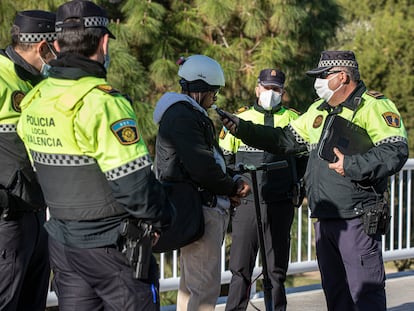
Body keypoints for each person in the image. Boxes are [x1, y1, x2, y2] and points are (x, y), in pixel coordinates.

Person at [220, 50, 408, 311]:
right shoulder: (318, 110)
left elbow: (395, 150)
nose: (317, 81)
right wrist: (242, 128)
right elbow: (284, 139)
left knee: (365, 293)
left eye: (323, 75)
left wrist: (352, 165)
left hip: (357, 218)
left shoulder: (373, 105)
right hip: (325, 217)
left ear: (342, 77)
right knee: (336, 293)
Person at [17, 1, 173, 310]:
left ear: (57, 44)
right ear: (103, 42)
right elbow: (135, 187)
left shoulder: (35, 99)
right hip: (112, 246)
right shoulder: (103, 103)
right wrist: (163, 218)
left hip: (62, 244)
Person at [153, 54, 250, 311]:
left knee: (191, 285)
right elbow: (202, 166)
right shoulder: (184, 116)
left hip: (193, 206)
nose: (214, 99)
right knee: (204, 288)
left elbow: (209, 160)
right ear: (201, 89)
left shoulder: (182, 113)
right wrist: (231, 188)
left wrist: (229, 179)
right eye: (213, 92)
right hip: (200, 207)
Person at [220, 69, 307, 311]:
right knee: (240, 269)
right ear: (257, 88)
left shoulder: (294, 119)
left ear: (284, 92)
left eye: (276, 89)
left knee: (276, 270)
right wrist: (234, 187)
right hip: (246, 204)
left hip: (280, 203)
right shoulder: (238, 120)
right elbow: (224, 159)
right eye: (267, 87)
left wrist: (296, 187)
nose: (271, 93)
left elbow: (304, 160)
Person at [0, 10, 56, 310]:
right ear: (42, 46)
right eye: (56, 46)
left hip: (36, 212)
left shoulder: (39, 81)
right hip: (9, 215)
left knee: (33, 300)